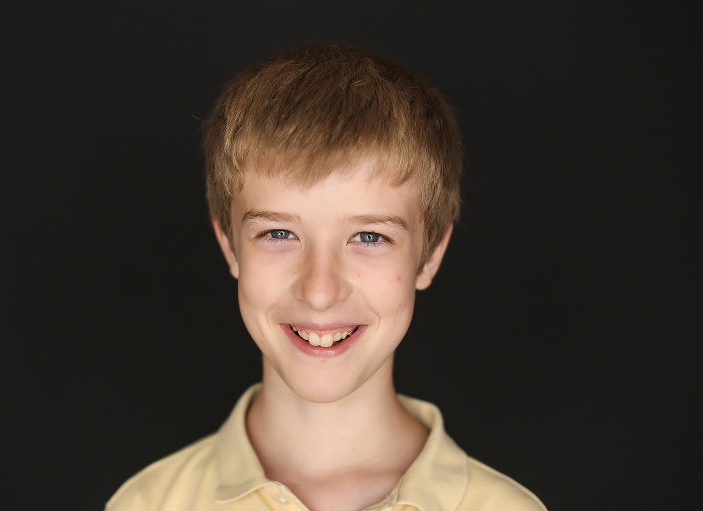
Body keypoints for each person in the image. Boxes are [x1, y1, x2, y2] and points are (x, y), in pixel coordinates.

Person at [105, 43, 547, 511]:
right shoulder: (146, 502)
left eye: (370, 238)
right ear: (229, 245)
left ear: (431, 255)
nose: (319, 291)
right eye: (279, 232)